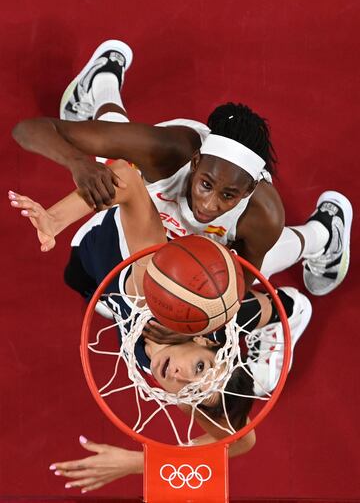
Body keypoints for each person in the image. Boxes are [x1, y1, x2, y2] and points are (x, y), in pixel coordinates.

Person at [9, 158, 311, 493]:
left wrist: (137, 462)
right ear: (207, 342)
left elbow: (242, 440)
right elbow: (125, 177)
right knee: (258, 294)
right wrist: (55, 218)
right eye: (200, 367)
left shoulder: (185, 390)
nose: (181, 378)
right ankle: (303, 281)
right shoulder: (149, 285)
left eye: (191, 390)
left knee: (82, 283)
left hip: (117, 285)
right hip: (126, 245)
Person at [11, 40, 353, 297]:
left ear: (247, 192)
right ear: (196, 163)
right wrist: (76, 164)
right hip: (154, 182)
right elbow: (27, 129)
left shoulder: (262, 215)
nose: (209, 205)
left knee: (271, 251)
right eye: (206, 185)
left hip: (213, 246)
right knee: (108, 160)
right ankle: (101, 81)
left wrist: (195, 314)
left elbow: (236, 288)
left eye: (228, 195)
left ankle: (324, 234)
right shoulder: (166, 153)